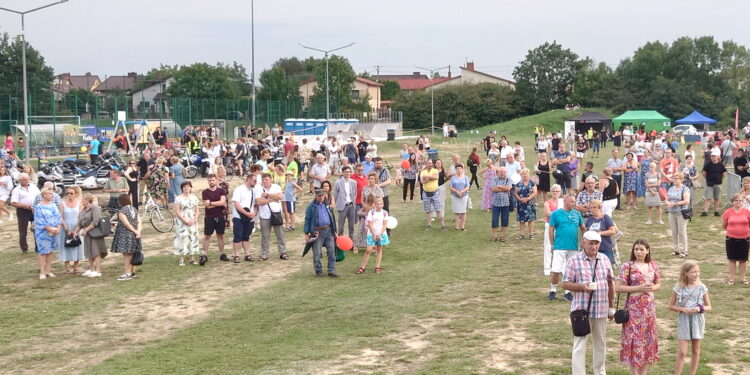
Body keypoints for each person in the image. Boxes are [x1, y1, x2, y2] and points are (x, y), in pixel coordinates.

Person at [562, 231, 615, 375]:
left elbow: (611, 283)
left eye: (597, 243)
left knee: (601, 343)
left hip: (601, 308)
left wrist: (611, 306)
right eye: (591, 243)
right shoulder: (574, 261)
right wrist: (582, 287)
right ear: (583, 242)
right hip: (582, 310)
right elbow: (565, 284)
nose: (594, 246)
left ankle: (600, 372)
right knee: (580, 344)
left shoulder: (604, 259)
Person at [616, 239, 661, 374]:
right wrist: (639, 287)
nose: (639, 252)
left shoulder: (653, 265)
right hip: (634, 308)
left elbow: (659, 282)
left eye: (641, 249)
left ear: (647, 250)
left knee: (647, 339)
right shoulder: (628, 266)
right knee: (634, 340)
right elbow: (618, 287)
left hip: (649, 308)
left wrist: (653, 287)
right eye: (636, 249)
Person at [668, 260, 712, 375]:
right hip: (684, 320)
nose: (696, 274)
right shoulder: (679, 288)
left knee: (696, 350)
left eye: (698, 271)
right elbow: (670, 306)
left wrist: (700, 308)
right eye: (693, 272)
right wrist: (683, 309)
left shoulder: (701, 287)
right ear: (685, 273)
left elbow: (709, 307)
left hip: (697, 320)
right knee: (682, 351)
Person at [548, 193, 586, 301]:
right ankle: (553, 290)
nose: (574, 204)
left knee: (570, 271)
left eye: (574, 201)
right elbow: (551, 229)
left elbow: (582, 228)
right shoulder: (556, 214)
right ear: (565, 201)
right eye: (572, 201)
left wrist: (584, 240)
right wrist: (552, 244)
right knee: (556, 269)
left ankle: (568, 292)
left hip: (573, 246)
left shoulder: (577, 214)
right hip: (559, 246)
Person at [304, 188, 338, 277]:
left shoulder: (327, 205)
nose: (321, 197)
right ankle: (318, 270)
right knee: (317, 253)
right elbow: (307, 220)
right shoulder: (311, 206)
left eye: (323, 195)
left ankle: (332, 270)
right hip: (317, 232)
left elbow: (332, 218)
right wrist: (306, 233)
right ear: (315, 196)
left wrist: (334, 231)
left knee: (331, 252)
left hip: (328, 230)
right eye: (319, 196)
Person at [256, 173, 288, 261]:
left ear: (271, 180)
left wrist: (266, 195)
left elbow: (280, 196)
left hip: (276, 213)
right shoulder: (258, 188)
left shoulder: (276, 187)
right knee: (265, 236)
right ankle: (264, 254)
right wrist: (272, 199)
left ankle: (283, 252)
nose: (264, 181)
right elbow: (259, 202)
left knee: (280, 234)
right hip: (264, 215)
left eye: (266, 179)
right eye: (263, 179)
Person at [111, 194, 142, 281]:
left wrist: (135, 231)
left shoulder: (122, 211)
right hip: (135, 234)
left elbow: (126, 224)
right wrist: (138, 231)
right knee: (133, 253)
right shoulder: (134, 209)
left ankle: (127, 273)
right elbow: (139, 221)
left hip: (126, 234)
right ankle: (132, 272)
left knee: (126, 254)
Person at [356, 196, 390, 274]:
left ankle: (377, 267)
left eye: (380, 204)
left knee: (379, 249)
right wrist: (374, 234)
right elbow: (370, 224)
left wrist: (380, 234)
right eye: (377, 204)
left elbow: (385, 225)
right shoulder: (371, 212)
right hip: (371, 234)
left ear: (382, 205)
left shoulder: (385, 213)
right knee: (368, 250)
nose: (379, 205)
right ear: (375, 205)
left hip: (381, 234)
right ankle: (362, 267)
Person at [721, 193, 750, 285]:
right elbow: (724, 225)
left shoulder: (747, 212)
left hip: (745, 238)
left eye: (740, 200)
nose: (738, 202)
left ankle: (742, 278)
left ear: (743, 201)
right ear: (732, 202)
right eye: (736, 200)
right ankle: (731, 279)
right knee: (732, 259)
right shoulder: (728, 212)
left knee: (743, 259)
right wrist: (733, 230)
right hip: (731, 238)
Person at [34, 187, 62, 279]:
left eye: (52, 194)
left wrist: (58, 227)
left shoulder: (53, 205)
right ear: (44, 195)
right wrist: (48, 228)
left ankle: (48, 270)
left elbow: (58, 216)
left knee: (50, 251)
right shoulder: (38, 206)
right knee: (43, 252)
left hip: (54, 231)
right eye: (49, 194)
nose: (51, 195)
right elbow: (38, 220)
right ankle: (42, 271)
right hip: (43, 232)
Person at [231, 174, 259, 263]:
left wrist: (254, 213)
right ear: (249, 180)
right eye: (254, 181)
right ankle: (236, 255)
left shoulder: (254, 191)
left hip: (250, 217)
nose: (255, 182)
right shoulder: (239, 190)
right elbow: (236, 204)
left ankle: (247, 254)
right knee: (238, 235)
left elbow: (256, 204)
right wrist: (245, 213)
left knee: (246, 236)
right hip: (239, 216)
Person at [201, 174, 228, 264]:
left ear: (216, 180)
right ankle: (205, 255)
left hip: (220, 216)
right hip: (209, 217)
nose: (211, 182)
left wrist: (211, 203)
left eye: (213, 180)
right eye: (210, 180)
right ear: (207, 181)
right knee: (207, 236)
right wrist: (218, 204)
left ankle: (222, 254)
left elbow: (222, 202)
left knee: (220, 235)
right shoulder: (205, 192)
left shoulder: (221, 191)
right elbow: (207, 206)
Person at [77, 194, 106, 278]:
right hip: (87, 234)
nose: (82, 201)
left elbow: (95, 221)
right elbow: (80, 222)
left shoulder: (95, 208)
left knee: (96, 252)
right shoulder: (83, 210)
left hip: (95, 233)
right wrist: (76, 231)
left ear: (88, 200)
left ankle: (98, 271)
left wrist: (86, 230)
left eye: (83, 199)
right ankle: (91, 269)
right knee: (89, 251)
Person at [11, 173, 40, 253]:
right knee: (23, 230)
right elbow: (13, 203)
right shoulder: (16, 190)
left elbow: (40, 196)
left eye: (28, 179)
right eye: (25, 180)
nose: (27, 181)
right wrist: (26, 206)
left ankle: (38, 247)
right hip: (23, 211)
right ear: (20, 180)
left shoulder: (33, 187)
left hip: (34, 210)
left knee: (37, 228)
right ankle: (24, 248)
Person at [173, 181, 200, 266]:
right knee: (183, 239)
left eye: (188, 186)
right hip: (182, 222)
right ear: (182, 188)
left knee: (193, 238)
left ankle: (192, 258)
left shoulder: (194, 197)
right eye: (184, 187)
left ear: (190, 188)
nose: (186, 188)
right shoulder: (178, 198)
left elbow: (197, 210)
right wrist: (185, 220)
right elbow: (177, 212)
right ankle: (181, 259)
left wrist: (195, 219)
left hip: (192, 221)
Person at [58, 186, 84, 275]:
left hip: (77, 227)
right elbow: (61, 217)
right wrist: (66, 229)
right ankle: (67, 269)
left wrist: (76, 229)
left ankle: (76, 268)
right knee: (66, 246)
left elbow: (81, 217)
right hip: (66, 227)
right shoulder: (62, 203)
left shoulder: (79, 203)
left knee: (78, 246)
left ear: (75, 194)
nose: (69, 195)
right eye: (68, 193)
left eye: (71, 193)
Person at [585, 200, 618, 264]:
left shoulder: (605, 217)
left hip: (605, 247)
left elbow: (612, 231)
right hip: (592, 249)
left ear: (599, 208)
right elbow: (586, 232)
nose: (592, 209)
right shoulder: (589, 219)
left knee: (606, 267)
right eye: (590, 208)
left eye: (594, 207)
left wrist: (600, 233)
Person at [543, 184, 564, 275]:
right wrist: (560, 213)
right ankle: (547, 268)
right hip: (550, 225)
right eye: (554, 191)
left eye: (557, 191)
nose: (555, 193)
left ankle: (560, 267)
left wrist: (555, 213)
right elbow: (547, 213)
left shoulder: (562, 201)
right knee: (548, 247)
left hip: (561, 227)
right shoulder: (547, 202)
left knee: (561, 247)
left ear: (560, 192)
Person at [420, 159, 445, 231]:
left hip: (435, 193)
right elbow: (422, 181)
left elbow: (436, 177)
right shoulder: (422, 172)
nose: (430, 164)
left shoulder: (435, 170)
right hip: (426, 193)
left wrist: (426, 177)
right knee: (428, 210)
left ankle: (443, 225)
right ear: (426, 164)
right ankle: (429, 225)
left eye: (431, 163)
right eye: (429, 163)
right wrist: (431, 177)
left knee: (438, 209)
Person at [701, 151, 727, 217]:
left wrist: (719, 179)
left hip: (718, 184)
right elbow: (704, 173)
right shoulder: (708, 164)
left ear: (718, 157)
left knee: (717, 198)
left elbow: (724, 173)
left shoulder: (721, 165)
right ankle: (705, 211)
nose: (713, 158)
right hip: (710, 184)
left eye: (714, 156)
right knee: (708, 198)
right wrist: (709, 179)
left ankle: (716, 211)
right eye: (712, 156)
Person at [514, 168, 537, 240]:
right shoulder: (518, 184)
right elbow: (515, 193)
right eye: (524, 174)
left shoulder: (532, 183)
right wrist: (519, 199)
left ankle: (531, 234)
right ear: (521, 175)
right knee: (522, 220)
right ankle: (521, 234)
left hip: (530, 203)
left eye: (526, 174)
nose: (525, 176)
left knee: (531, 219)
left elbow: (535, 192)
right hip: (521, 204)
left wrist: (528, 198)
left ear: (529, 175)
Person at [450, 163, 470, 231]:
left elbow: (467, 187)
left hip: (464, 196)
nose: (458, 170)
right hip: (455, 196)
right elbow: (451, 187)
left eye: (460, 169)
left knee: (463, 211)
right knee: (457, 211)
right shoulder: (453, 178)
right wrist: (457, 191)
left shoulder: (466, 177)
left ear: (462, 169)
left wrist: (461, 192)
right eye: (457, 169)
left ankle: (462, 226)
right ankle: (457, 226)